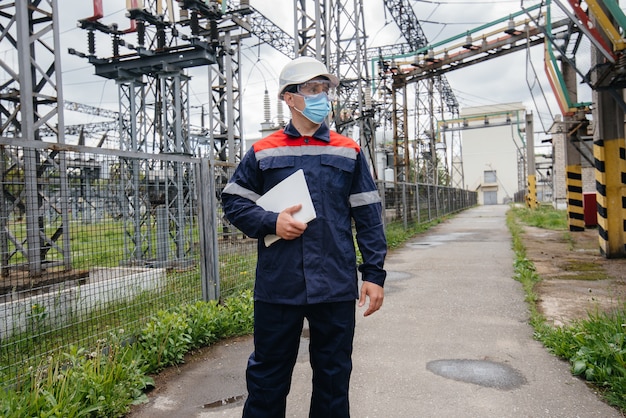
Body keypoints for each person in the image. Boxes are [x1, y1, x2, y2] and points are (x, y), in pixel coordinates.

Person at [221, 56, 387, 418]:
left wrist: (374, 275)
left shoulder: (348, 150)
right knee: (268, 377)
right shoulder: (264, 151)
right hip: (280, 284)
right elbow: (233, 201)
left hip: (335, 283)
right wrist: (270, 221)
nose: (321, 97)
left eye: (324, 89)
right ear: (290, 98)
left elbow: (368, 215)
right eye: (312, 89)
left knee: (333, 378)